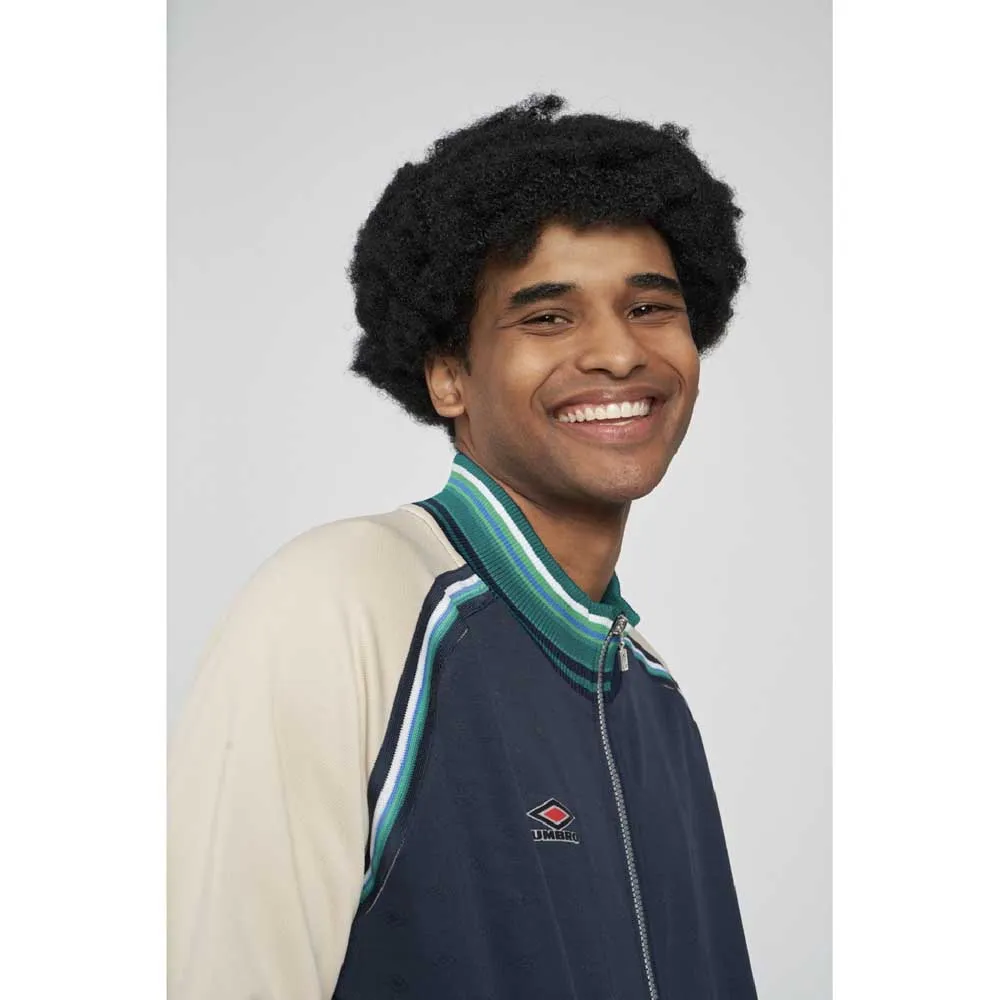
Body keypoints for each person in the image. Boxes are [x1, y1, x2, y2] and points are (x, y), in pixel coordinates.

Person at [168, 93, 757, 999]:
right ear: (449, 375)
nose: (617, 354)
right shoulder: (345, 602)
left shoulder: (652, 692)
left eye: (649, 306)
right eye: (548, 317)